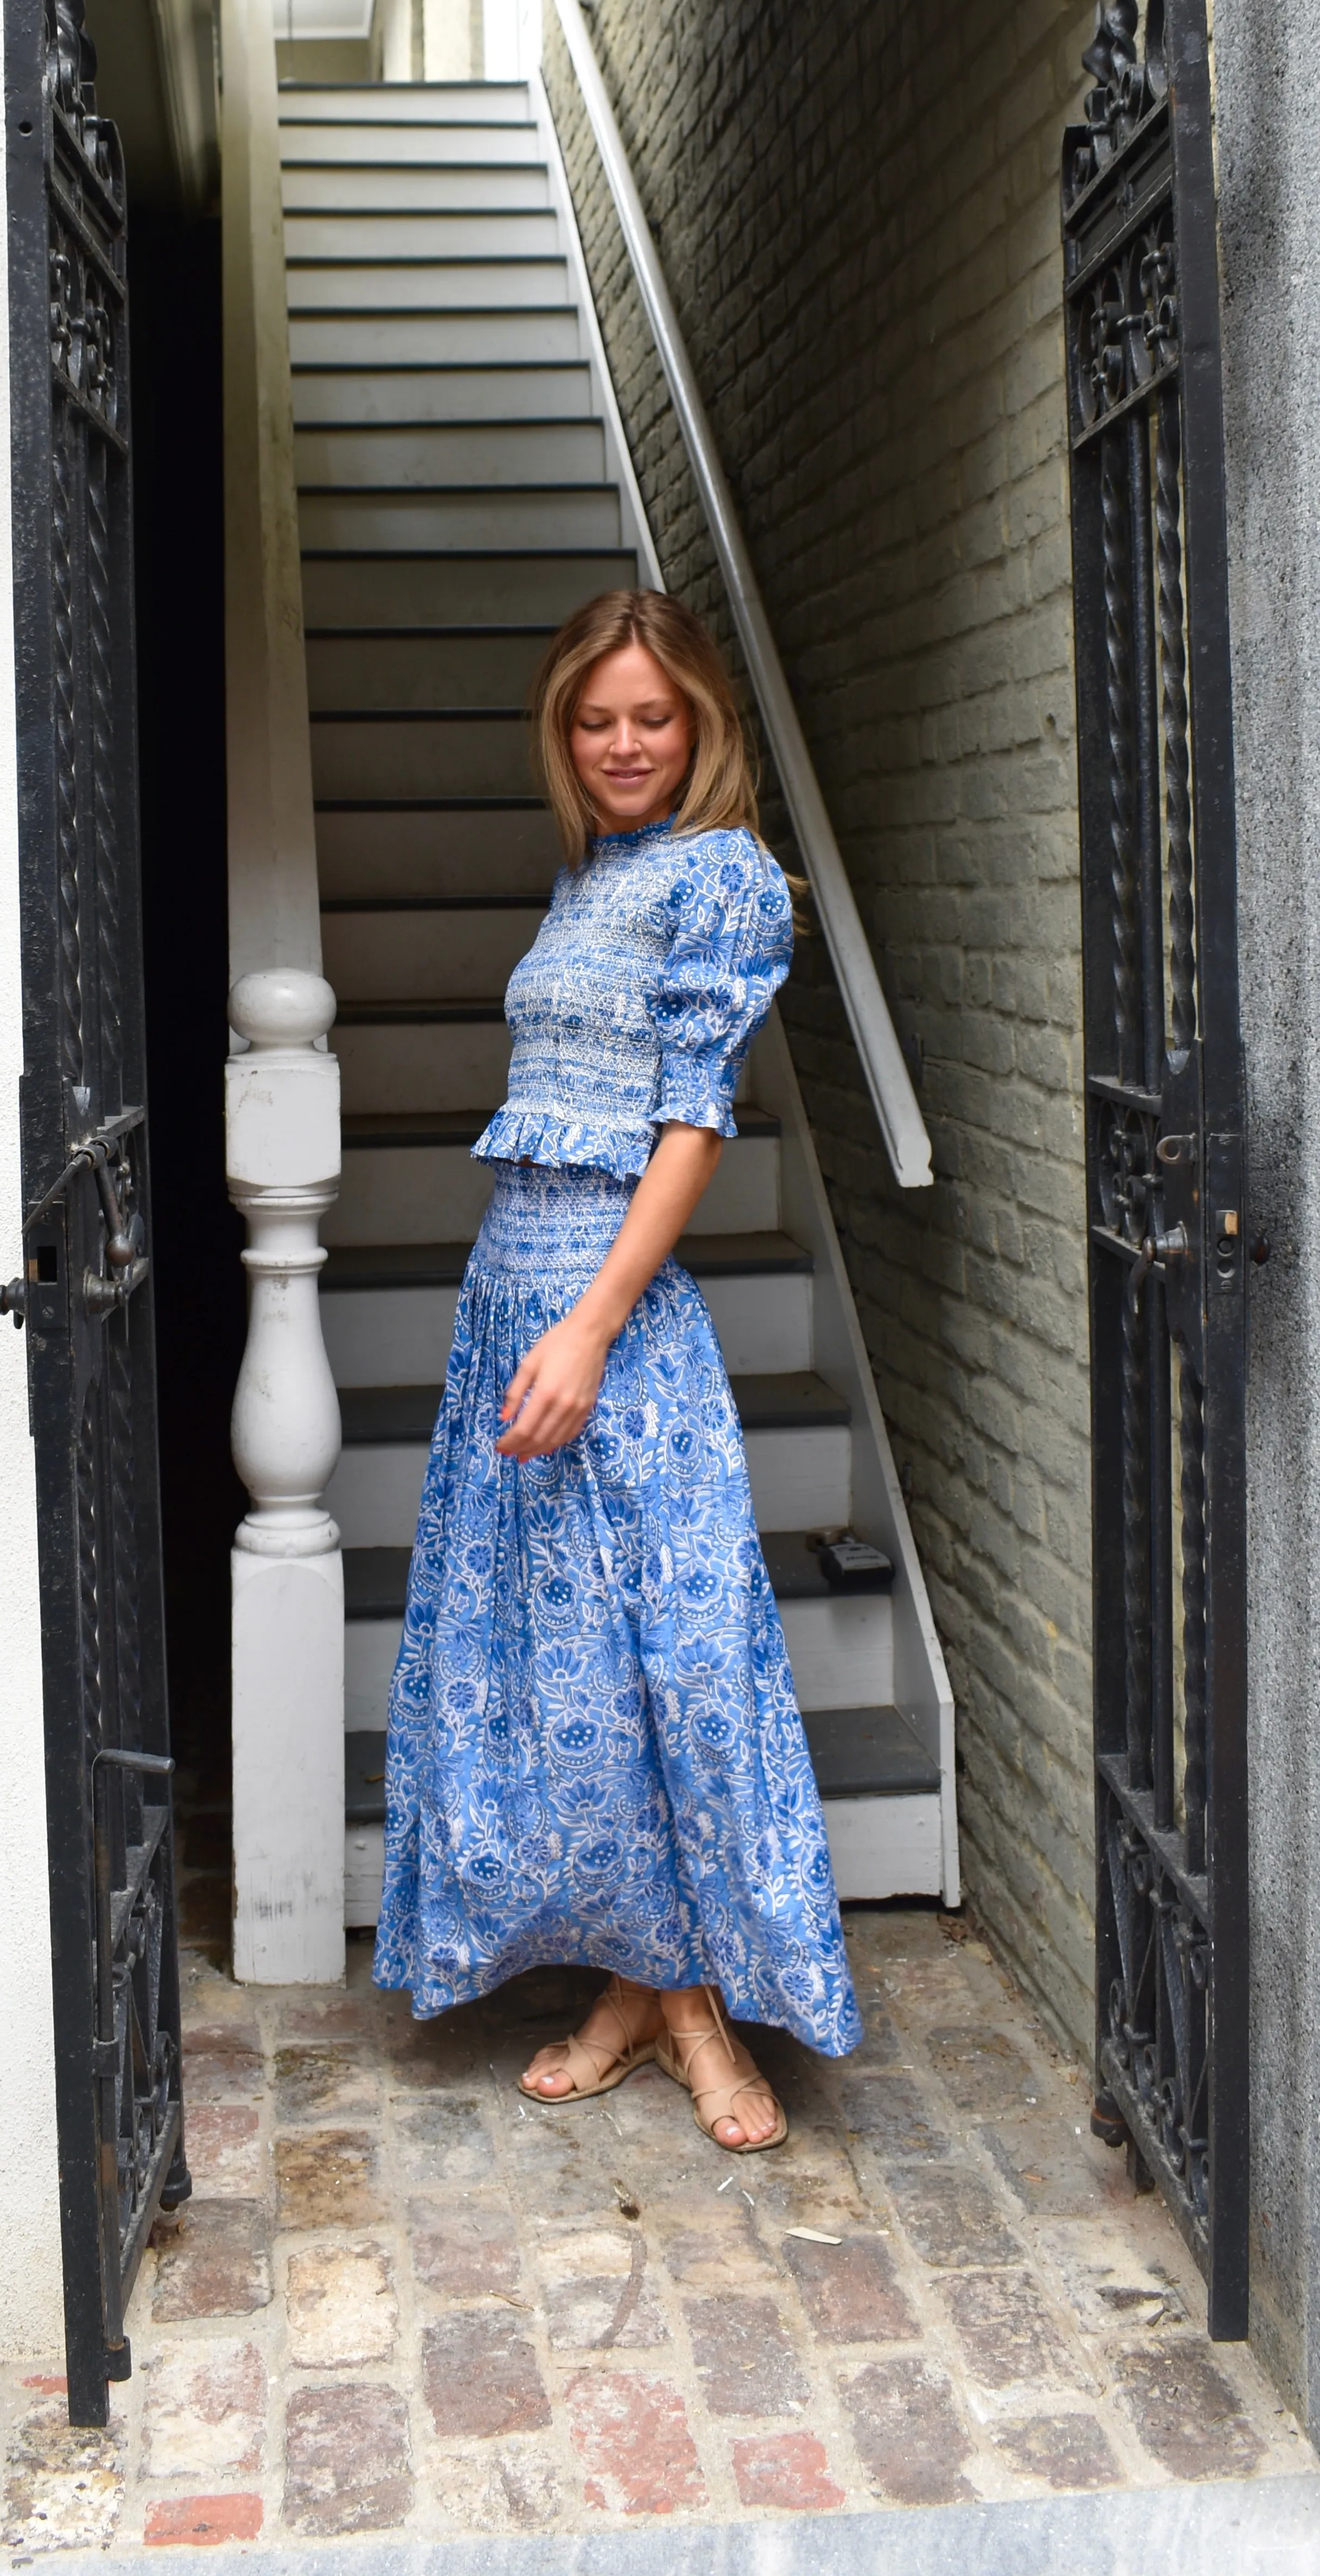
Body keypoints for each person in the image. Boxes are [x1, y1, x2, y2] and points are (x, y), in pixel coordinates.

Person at [374, 588, 862, 2150]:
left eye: (653, 716)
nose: (626, 742)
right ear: (563, 734)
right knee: (567, 1669)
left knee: (673, 1664)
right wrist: (532, 1321)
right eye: (597, 719)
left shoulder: (722, 877)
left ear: (700, 723)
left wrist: (587, 1325)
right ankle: (632, 1991)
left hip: (612, 1319)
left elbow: (693, 1124)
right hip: (508, 1296)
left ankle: (702, 2016)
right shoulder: (595, 873)